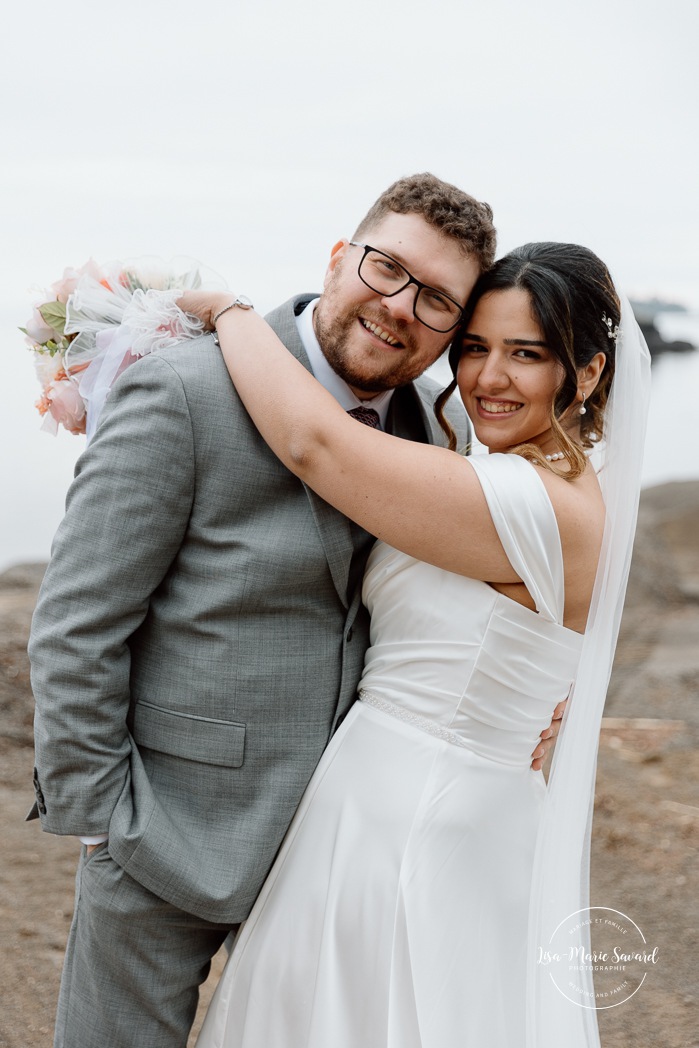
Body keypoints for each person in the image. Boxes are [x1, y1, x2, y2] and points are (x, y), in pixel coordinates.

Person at [28, 173, 563, 1048]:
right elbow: (77, 624)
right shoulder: (185, 391)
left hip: (339, 858)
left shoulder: (437, 432)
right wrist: (104, 822)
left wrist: (551, 700)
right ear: (338, 256)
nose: (398, 308)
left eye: (435, 301)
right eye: (386, 269)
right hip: (165, 837)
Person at [175, 240, 651, 1048]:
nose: (486, 379)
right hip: (398, 801)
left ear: (590, 373)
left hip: (415, 821)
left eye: (526, 355)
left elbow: (314, 445)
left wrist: (226, 312)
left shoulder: (534, 504)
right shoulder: (543, 484)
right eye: (473, 348)